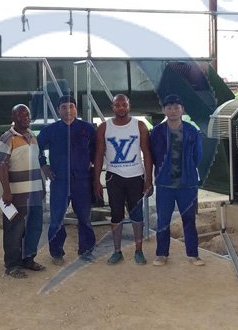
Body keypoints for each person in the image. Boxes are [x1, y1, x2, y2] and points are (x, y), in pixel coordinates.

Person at [93, 94, 153, 265]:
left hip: (135, 176)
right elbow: (98, 155)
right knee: (116, 215)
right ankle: (117, 250)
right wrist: (96, 180)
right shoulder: (104, 127)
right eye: (117, 105)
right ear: (112, 107)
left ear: (129, 106)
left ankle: (139, 250)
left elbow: (147, 153)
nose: (121, 108)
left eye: (124, 104)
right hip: (114, 176)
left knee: (137, 215)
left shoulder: (139, 125)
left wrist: (149, 180)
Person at [37, 95, 96, 265]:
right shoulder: (50, 130)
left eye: (71, 106)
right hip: (59, 180)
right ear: (58, 110)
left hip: (82, 181)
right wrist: (43, 165)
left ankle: (86, 251)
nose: (68, 110)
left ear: (76, 109)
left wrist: (92, 161)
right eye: (64, 107)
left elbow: (97, 147)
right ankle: (57, 253)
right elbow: (37, 147)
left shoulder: (87, 129)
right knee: (56, 219)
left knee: (84, 218)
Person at [149, 94, 205, 267]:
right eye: (169, 107)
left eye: (176, 107)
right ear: (164, 110)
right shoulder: (157, 132)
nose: (173, 110)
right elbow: (151, 155)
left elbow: (198, 155)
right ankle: (161, 254)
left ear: (182, 109)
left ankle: (193, 254)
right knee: (163, 220)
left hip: (187, 184)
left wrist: (188, 170)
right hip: (165, 184)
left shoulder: (191, 131)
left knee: (189, 219)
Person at [0, 104, 46, 278]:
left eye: (27, 114)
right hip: (16, 195)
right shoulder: (6, 138)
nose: (25, 117)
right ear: (14, 117)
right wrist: (6, 192)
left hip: (35, 193)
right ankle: (12, 265)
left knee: (34, 228)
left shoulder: (33, 136)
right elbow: (1, 166)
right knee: (14, 230)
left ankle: (28, 259)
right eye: (21, 115)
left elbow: (37, 163)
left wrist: (42, 188)